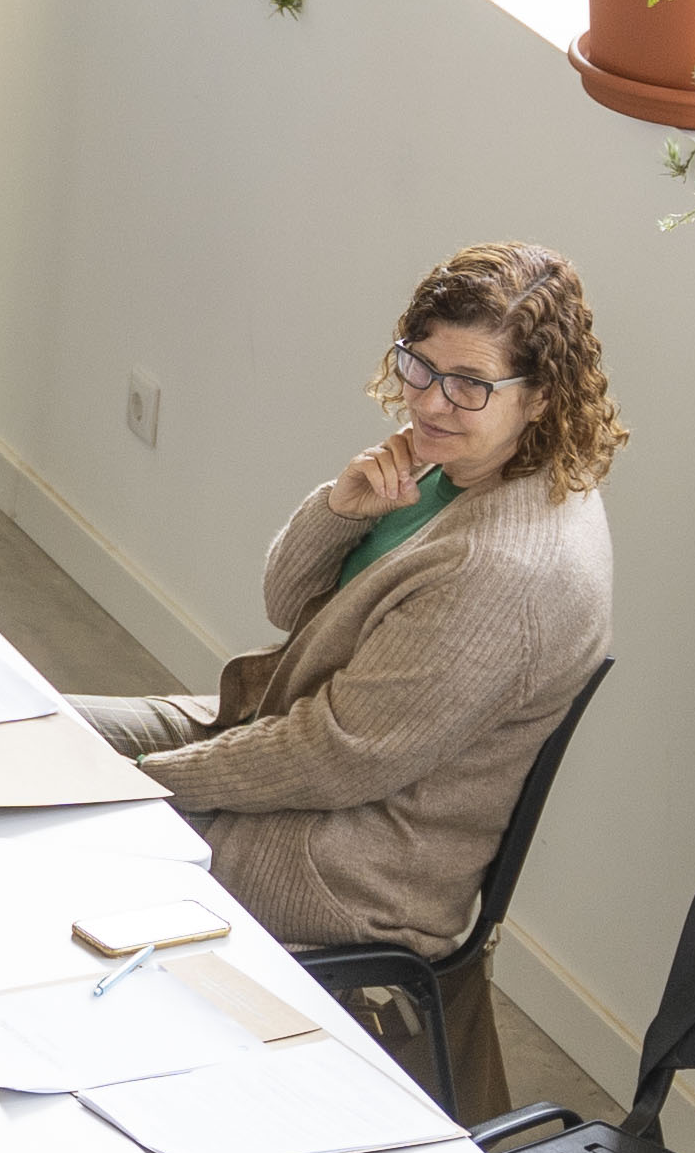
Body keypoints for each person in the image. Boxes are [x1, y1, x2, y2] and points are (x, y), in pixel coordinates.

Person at [64, 247, 622, 1071]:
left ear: (541, 397)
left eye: (469, 384)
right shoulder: (457, 464)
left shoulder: (502, 569)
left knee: (50, 827)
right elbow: (290, 606)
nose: (431, 400)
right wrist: (341, 508)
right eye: (418, 365)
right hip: (275, 735)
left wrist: (151, 778)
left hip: (345, 855)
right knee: (31, 728)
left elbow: (335, 757)